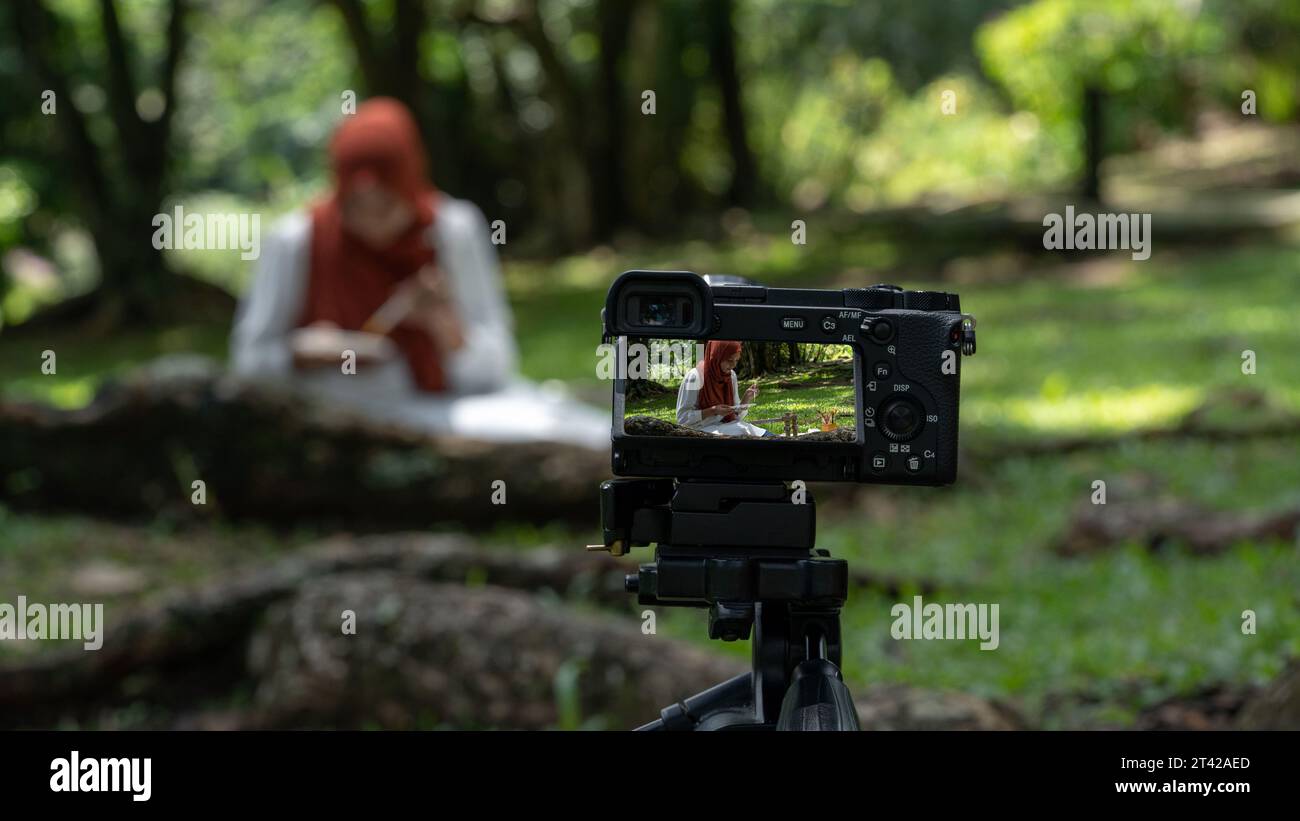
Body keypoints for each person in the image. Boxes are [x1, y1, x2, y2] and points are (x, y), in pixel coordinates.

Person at [230, 98, 606, 449]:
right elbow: (247, 365)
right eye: (357, 207)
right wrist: (304, 351)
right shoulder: (296, 241)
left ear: (410, 188)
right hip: (336, 429)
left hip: (444, 412)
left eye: (386, 205)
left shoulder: (452, 230)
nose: (373, 222)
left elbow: (495, 371)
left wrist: (445, 326)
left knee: (564, 430)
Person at [675, 340, 770, 437]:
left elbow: (736, 416)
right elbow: (682, 418)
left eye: (736, 360)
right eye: (729, 360)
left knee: (751, 430)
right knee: (744, 431)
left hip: (725, 426)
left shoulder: (730, 376)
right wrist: (713, 410)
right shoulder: (695, 377)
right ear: (717, 357)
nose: (733, 365)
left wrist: (746, 399)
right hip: (700, 430)